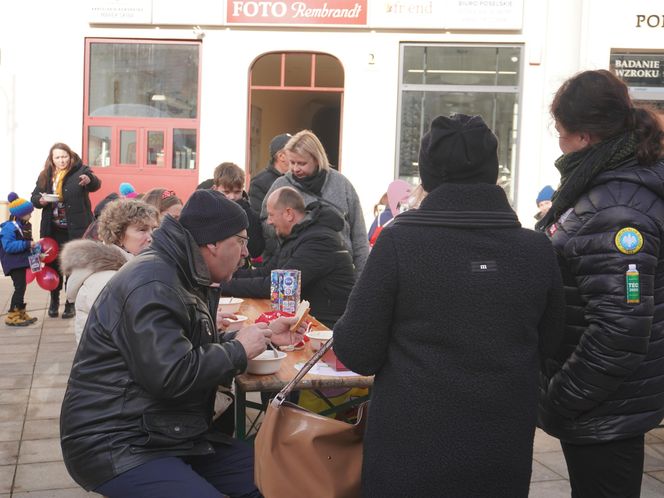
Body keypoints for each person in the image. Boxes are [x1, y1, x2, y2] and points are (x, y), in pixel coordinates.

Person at [332, 114, 566, 498]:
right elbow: (552, 343)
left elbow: (357, 350)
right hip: (500, 446)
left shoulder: (399, 244)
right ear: (493, 174)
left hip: (410, 452)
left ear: (428, 174)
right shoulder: (535, 248)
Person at [60, 189, 305, 497]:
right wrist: (238, 349)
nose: (246, 252)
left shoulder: (182, 271)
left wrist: (264, 335)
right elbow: (171, 375)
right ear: (213, 244)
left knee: (277, 479)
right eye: (241, 241)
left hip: (165, 431)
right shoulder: (153, 282)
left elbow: (182, 350)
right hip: (115, 441)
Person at [535, 69, 664, 498]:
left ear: (585, 137)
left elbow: (619, 329)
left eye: (560, 131)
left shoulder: (617, 208)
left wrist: (559, 398)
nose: (560, 142)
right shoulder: (607, 184)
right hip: (605, 403)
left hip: (603, 407)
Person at [223, 186, 355, 328]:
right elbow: (267, 272)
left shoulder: (319, 241)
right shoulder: (299, 236)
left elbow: (278, 288)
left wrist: (222, 285)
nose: (269, 222)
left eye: (271, 215)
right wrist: (223, 275)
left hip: (326, 328)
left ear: (288, 214)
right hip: (306, 323)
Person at [261, 130, 369, 274]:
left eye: (302, 163)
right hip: (293, 271)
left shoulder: (342, 185)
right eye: (292, 162)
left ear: (317, 159)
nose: (295, 168)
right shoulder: (280, 185)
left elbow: (359, 237)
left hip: (338, 274)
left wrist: (361, 277)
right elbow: (266, 223)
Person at [60, 199, 159, 343]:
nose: (151, 237)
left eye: (154, 229)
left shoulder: (130, 269)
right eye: (142, 230)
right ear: (118, 235)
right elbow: (130, 337)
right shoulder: (107, 279)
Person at [30, 142, 101, 319]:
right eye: (58, 157)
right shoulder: (46, 175)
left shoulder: (81, 171)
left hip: (75, 229)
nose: (62, 160)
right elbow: (34, 197)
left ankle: (70, 303)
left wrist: (88, 180)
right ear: (52, 159)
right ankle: (54, 301)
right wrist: (41, 201)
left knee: (72, 266)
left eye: (64, 156)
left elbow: (95, 184)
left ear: (70, 156)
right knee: (52, 265)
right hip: (52, 229)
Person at [212, 162, 265, 260]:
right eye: (226, 192)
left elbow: (256, 250)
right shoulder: (207, 211)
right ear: (215, 189)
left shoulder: (249, 213)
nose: (232, 197)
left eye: (237, 192)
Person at [0, 192, 39, 326]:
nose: (31, 215)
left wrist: (36, 250)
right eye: (29, 213)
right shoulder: (9, 228)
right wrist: (27, 244)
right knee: (19, 287)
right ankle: (12, 315)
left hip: (21, 261)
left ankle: (20, 312)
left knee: (21, 287)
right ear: (20, 214)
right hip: (13, 263)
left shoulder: (25, 225)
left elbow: (28, 242)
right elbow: (8, 246)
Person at [248, 133, 291, 213]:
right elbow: (260, 217)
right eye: (294, 150)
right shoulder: (258, 183)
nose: (299, 153)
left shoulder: (299, 178)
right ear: (281, 156)